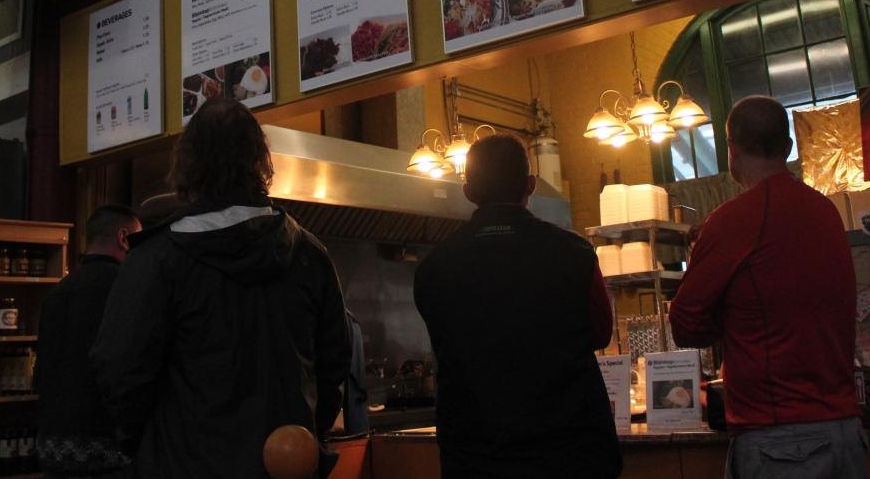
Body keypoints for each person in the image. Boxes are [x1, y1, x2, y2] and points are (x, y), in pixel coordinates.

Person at [91, 98, 351, 478]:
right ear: (260, 163)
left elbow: (119, 370)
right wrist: (305, 432)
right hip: (284, 465)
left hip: (183, 466)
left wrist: (149, 445)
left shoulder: (155, 260)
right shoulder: (308, 255)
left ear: (187, 165)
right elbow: (334, 366)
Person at [669, 96, 865, 478]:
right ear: (788, 147)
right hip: (846, 433)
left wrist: (730, 320)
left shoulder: (733, 221)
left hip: (783, 443)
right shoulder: (825, 211)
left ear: (731, 150)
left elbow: (685, 323)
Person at [413, 134, 622, 479]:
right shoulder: (576, 254)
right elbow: (601, 333)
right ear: (531, 185)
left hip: (475, 459)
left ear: (468, 192)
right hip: (570, 455)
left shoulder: (432, 268)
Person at [35, 204, 141, 479]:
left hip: (52, 446)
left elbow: (42, 369)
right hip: (106, 449)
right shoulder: (126, 288)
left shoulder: (57, 292)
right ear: (123, 238)